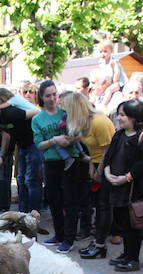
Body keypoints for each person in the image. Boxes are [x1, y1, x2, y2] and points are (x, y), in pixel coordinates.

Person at [101, 99, 143, 271]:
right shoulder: (119, 134)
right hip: (117, 187)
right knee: (123, 222)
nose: (118, 118)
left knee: (134, 223)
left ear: (134, 117)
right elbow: (109, 155)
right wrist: (108, 172)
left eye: (122, 115)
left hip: (135, 189)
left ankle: (133, 257)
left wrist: (126, 177)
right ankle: (126, 254)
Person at [33, 81, 80, 253]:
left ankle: (69, 238)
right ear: (42, 98)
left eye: (55, 94)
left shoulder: (66, 111)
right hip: (51, 160)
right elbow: (39, 144)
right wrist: (54, 140)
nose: (52, 99)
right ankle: (59, 234)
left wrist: (72, 139)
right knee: (54, 198)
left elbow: (80, 130)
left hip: (70, 159)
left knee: (70, 199)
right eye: (48, 96)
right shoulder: (38, 119)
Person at [0, 95, 41, 213]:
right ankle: (22, 211)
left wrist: (38, 133)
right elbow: (6, 135)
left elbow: (37, 112)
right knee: (20, 179)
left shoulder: (10, 113)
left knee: (31, 180)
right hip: (21, 145)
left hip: (33, 144)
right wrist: (2, 155)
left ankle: (34, 212)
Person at [73, 91, 116, 259]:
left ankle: (100, 244)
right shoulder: (86, 123)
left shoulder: (99, 122)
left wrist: (99, 170)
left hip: (108, 166)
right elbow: (94, 149)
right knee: (98, 204)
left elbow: (108, 150)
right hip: (97, 163)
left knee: (104, 205)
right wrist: (92, 165)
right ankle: (98, 241)